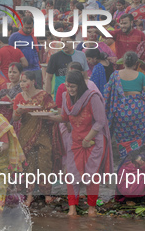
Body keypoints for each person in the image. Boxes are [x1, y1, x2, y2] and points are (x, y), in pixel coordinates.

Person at [48, 70, 113, 216]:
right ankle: (72, 209)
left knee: (91, 175)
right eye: (68, 86)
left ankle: (92, 209)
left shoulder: (92, 97)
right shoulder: (65, 97)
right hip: (75, 141)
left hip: (93, 142)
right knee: (72, 175)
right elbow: (65, 117)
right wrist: (50, 118)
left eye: (73, 87)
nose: (70, 90)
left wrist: (87, 139)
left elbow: (101, 121)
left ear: (80, 85)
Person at [13, 71, 59, 206]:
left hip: (43, 133)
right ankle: (29, 195)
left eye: (25, 81)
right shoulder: (19, 97)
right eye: (21, 81)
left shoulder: (43, 95)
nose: (22, 84)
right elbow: (15, 118)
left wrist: (45, 114)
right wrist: (19, 111)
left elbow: (53, 111)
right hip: (26, 134)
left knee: (45, 161)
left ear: (33, 81)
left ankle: (47, 193)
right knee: (29, 164)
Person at [104, 52, 145, 158]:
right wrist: (143, 104)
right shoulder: (141, 76)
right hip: (138, 110)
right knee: (138, 133)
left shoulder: (115, 75)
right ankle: (137, 155)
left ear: (123, 62)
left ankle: (125, 156)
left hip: (121, 109)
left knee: (122, 134)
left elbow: (108, 93)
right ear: (136, 64)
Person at [9, 16, 42, 83]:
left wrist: (39, 63)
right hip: (22, 69)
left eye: (31, 28)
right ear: (22, 25)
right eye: (27, 28)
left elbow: (38, 49)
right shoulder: (14, 36)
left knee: (37, 90)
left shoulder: (34, 35)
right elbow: (10, 52)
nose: (29, 30)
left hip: (35, 68)